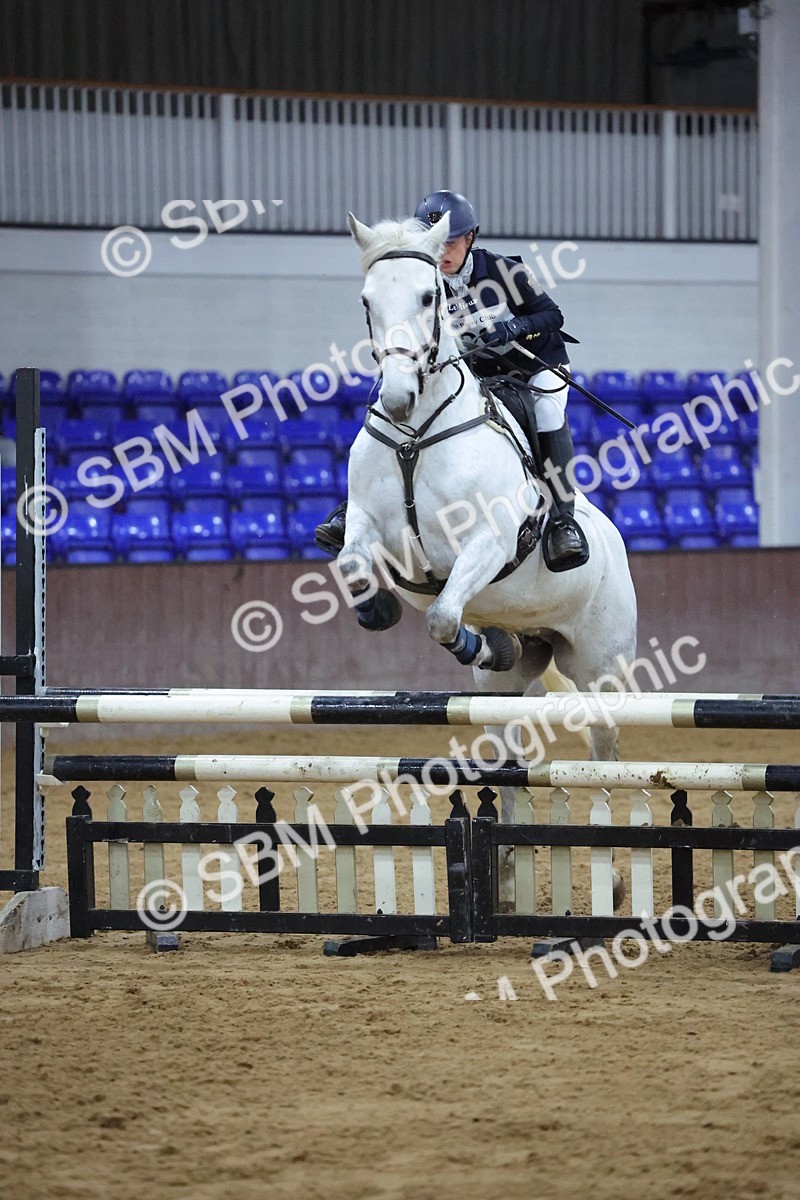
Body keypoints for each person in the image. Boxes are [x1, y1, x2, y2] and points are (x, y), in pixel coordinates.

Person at [315, 189, 589, 572]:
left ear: (470, 238)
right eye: (433, 243)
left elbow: (551, 315)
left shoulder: (506, 271)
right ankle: (358, 511)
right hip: (477, 373)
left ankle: (563, 519)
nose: (440, 251)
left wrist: (514, 326)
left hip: (532, 368)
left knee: (545, 412)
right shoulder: (422, 281)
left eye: (450, 242)